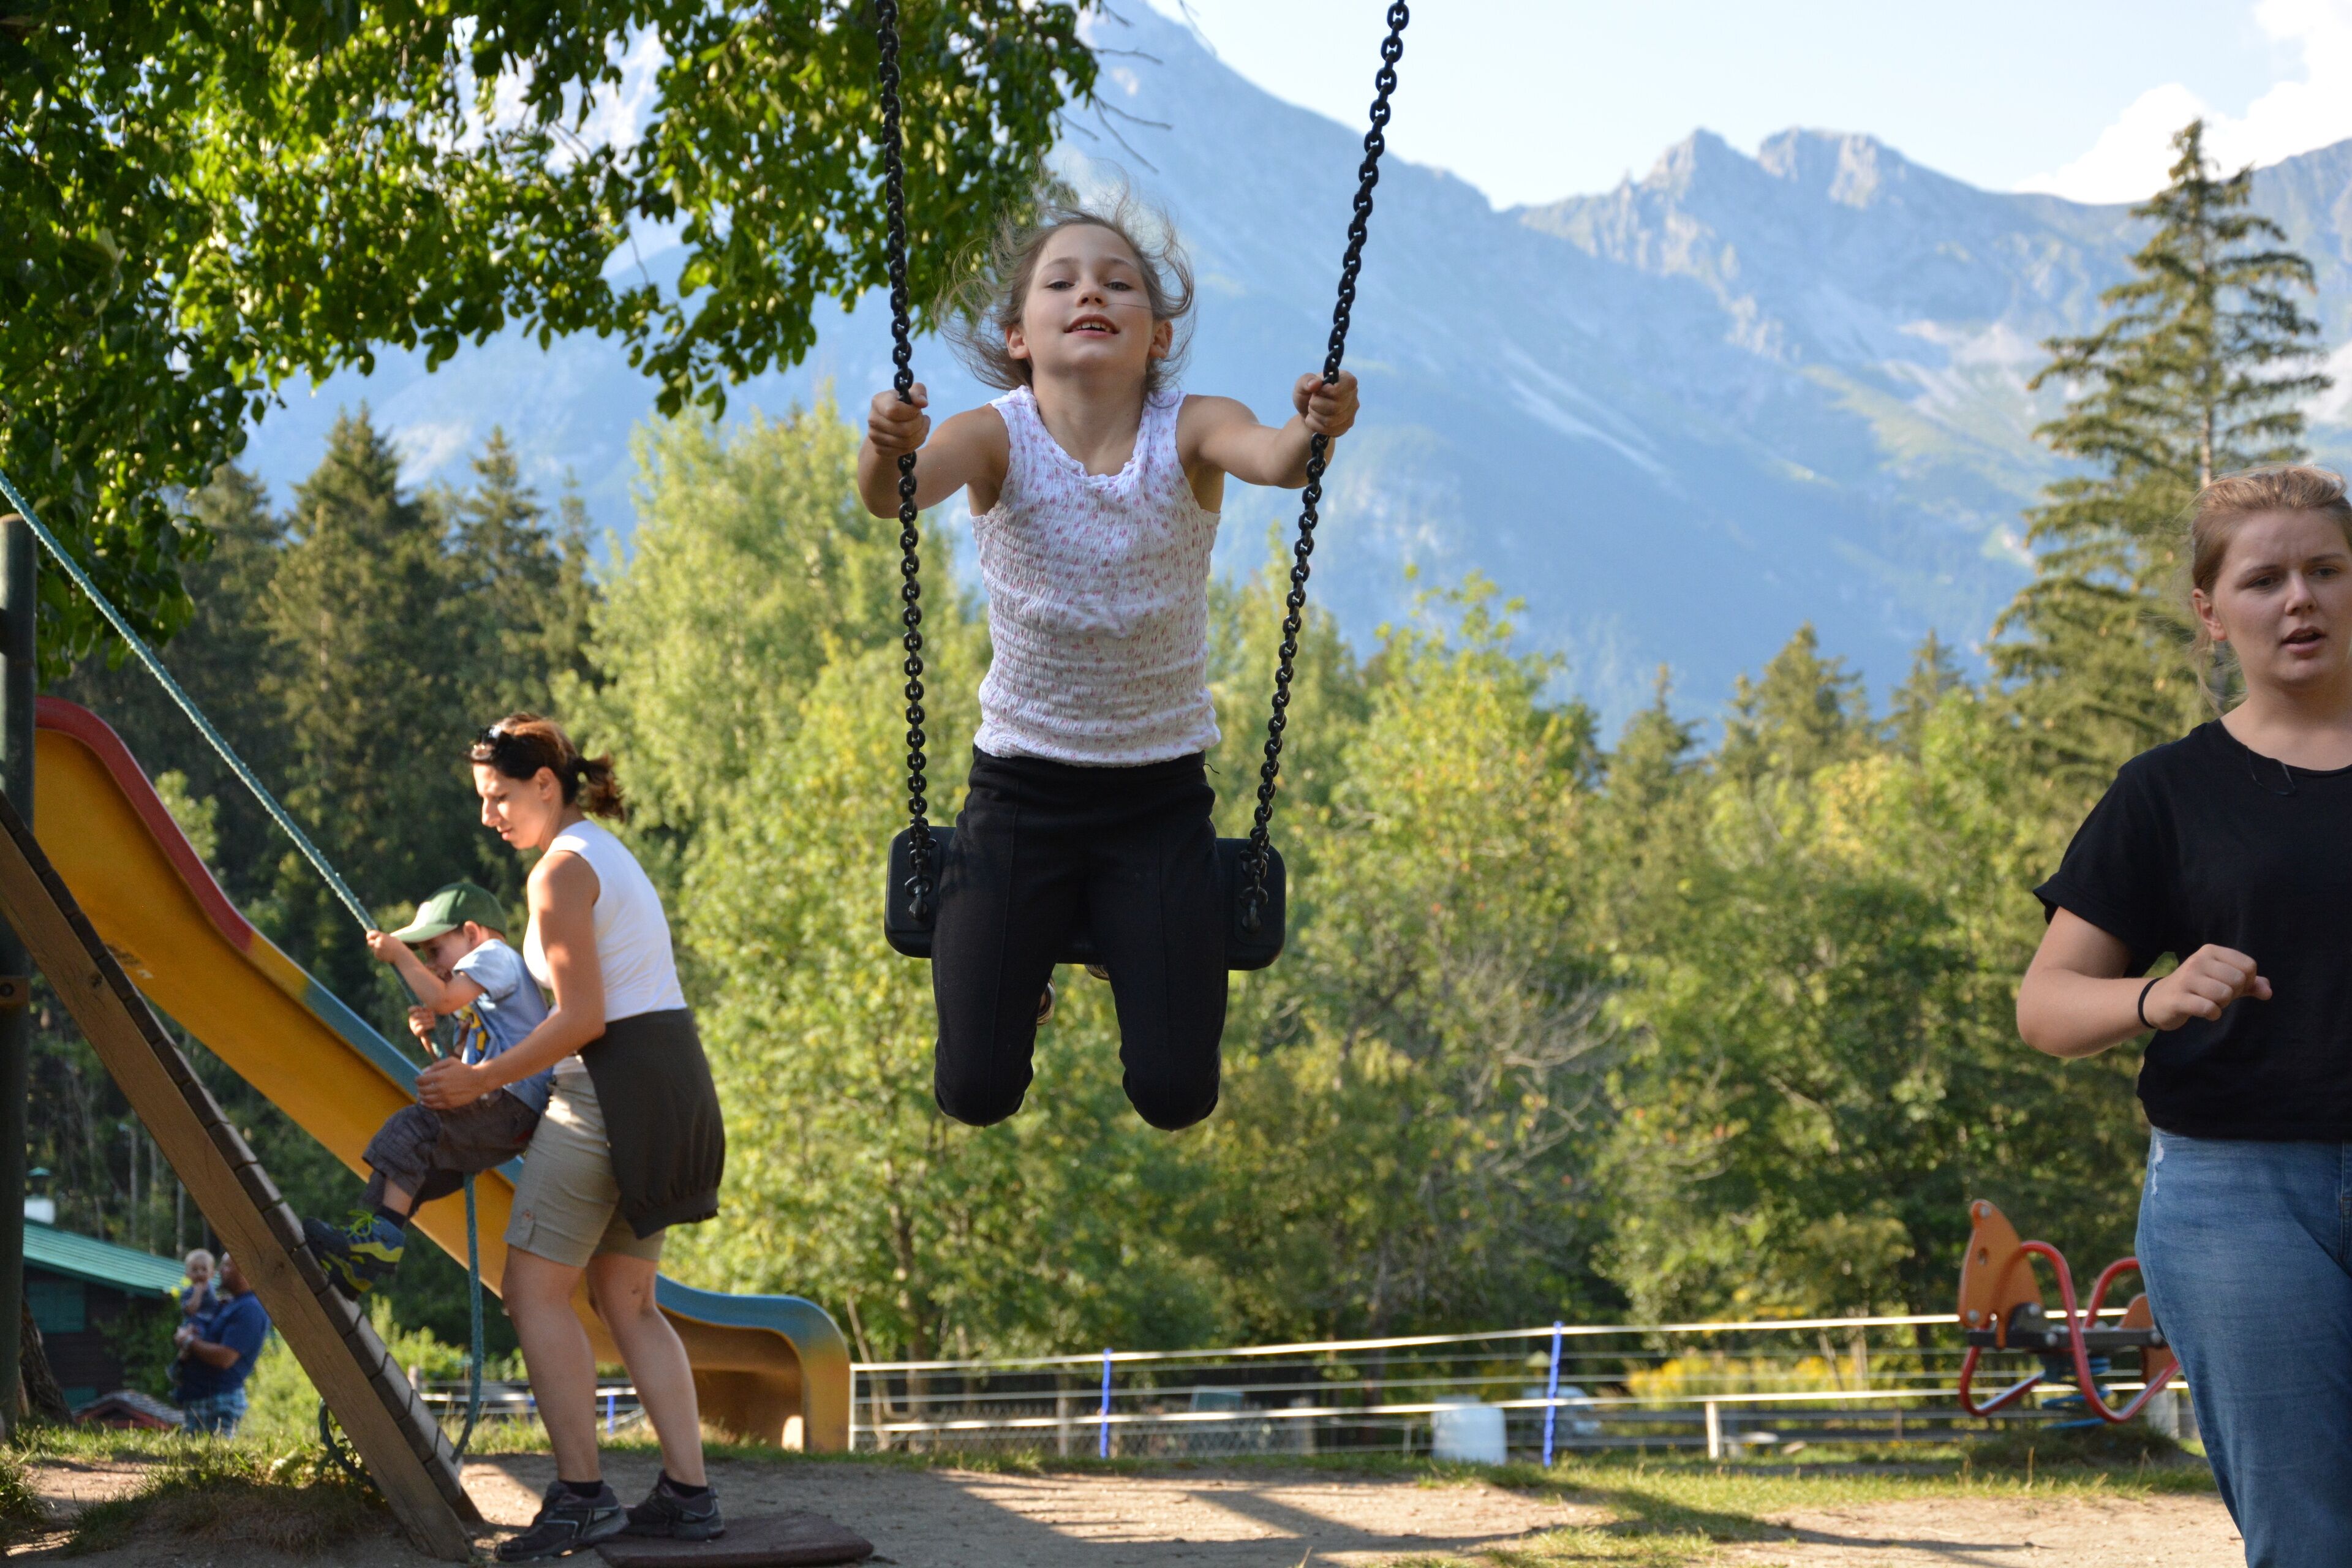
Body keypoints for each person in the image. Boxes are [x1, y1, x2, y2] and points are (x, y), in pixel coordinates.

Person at [857, 196, 1359, 1131]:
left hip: (1157, 800)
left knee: (1176, 1094)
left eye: (1118, 283)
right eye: (1063, 282)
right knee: (975, 1092)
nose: (1092, 291)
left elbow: (1279, 458)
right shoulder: (993, 435)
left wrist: (1316, 424)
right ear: (1018, 335)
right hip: (1017, 796)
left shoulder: (1192, 428)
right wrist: (885, 447)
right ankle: (1030, 972)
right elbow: (895, 498)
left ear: (1157, 335)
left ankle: (1104, 934)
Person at [2016, 464, 2352, 1565]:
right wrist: (2156, 996)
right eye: (2264, 580)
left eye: (2326, 570)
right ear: (2211, 613)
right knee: (2309, 1539)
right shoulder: (2165, 793)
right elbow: (2049, 1005)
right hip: (2236, 1202)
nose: (2298, 599)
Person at [421, 715, 725, 1559]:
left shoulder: (557, 876)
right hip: (671, 1085)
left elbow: (581, 1017)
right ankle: (689, 1495)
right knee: (629, 1301)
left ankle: (583, 1496)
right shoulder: (602, 852)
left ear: (545, 786)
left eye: (500, 798)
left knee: (532, 1291)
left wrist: (479, 1080)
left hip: (605, 1095)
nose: (490, 817)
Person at [303, 880, 554, 1297]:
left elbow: (440, 998)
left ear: (472, 933)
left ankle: (379, 1242)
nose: (434, 965)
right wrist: (429, 1038)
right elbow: (456, 1067)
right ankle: (361, 1263)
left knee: (411, 1128)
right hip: (506, 1117)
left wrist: (401, 956)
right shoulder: (477, 1002)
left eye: (435, 951)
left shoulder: (495, 956)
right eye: (423, 956)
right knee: (405, 1174)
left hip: (510, 1101)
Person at [174, 1252, 269, 1436]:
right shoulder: (232, 1303)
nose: (219, 1271)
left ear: (244, 1271)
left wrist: (188, 1341)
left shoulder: (250, 1309)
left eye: (226, 1266)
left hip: (219, 1400)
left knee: (215, 1460)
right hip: (202, 1398)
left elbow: (225, 1357)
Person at [178, 1248, 216, 1319]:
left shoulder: (212, 1288)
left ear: (212, 1273)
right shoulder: (188, 1292)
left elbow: (213, 1305)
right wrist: (197, 1293)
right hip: (196, 1324)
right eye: (194, 1270)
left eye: (204, 1269)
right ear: (187, 1274)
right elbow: (191, 1311)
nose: (200, 1273)